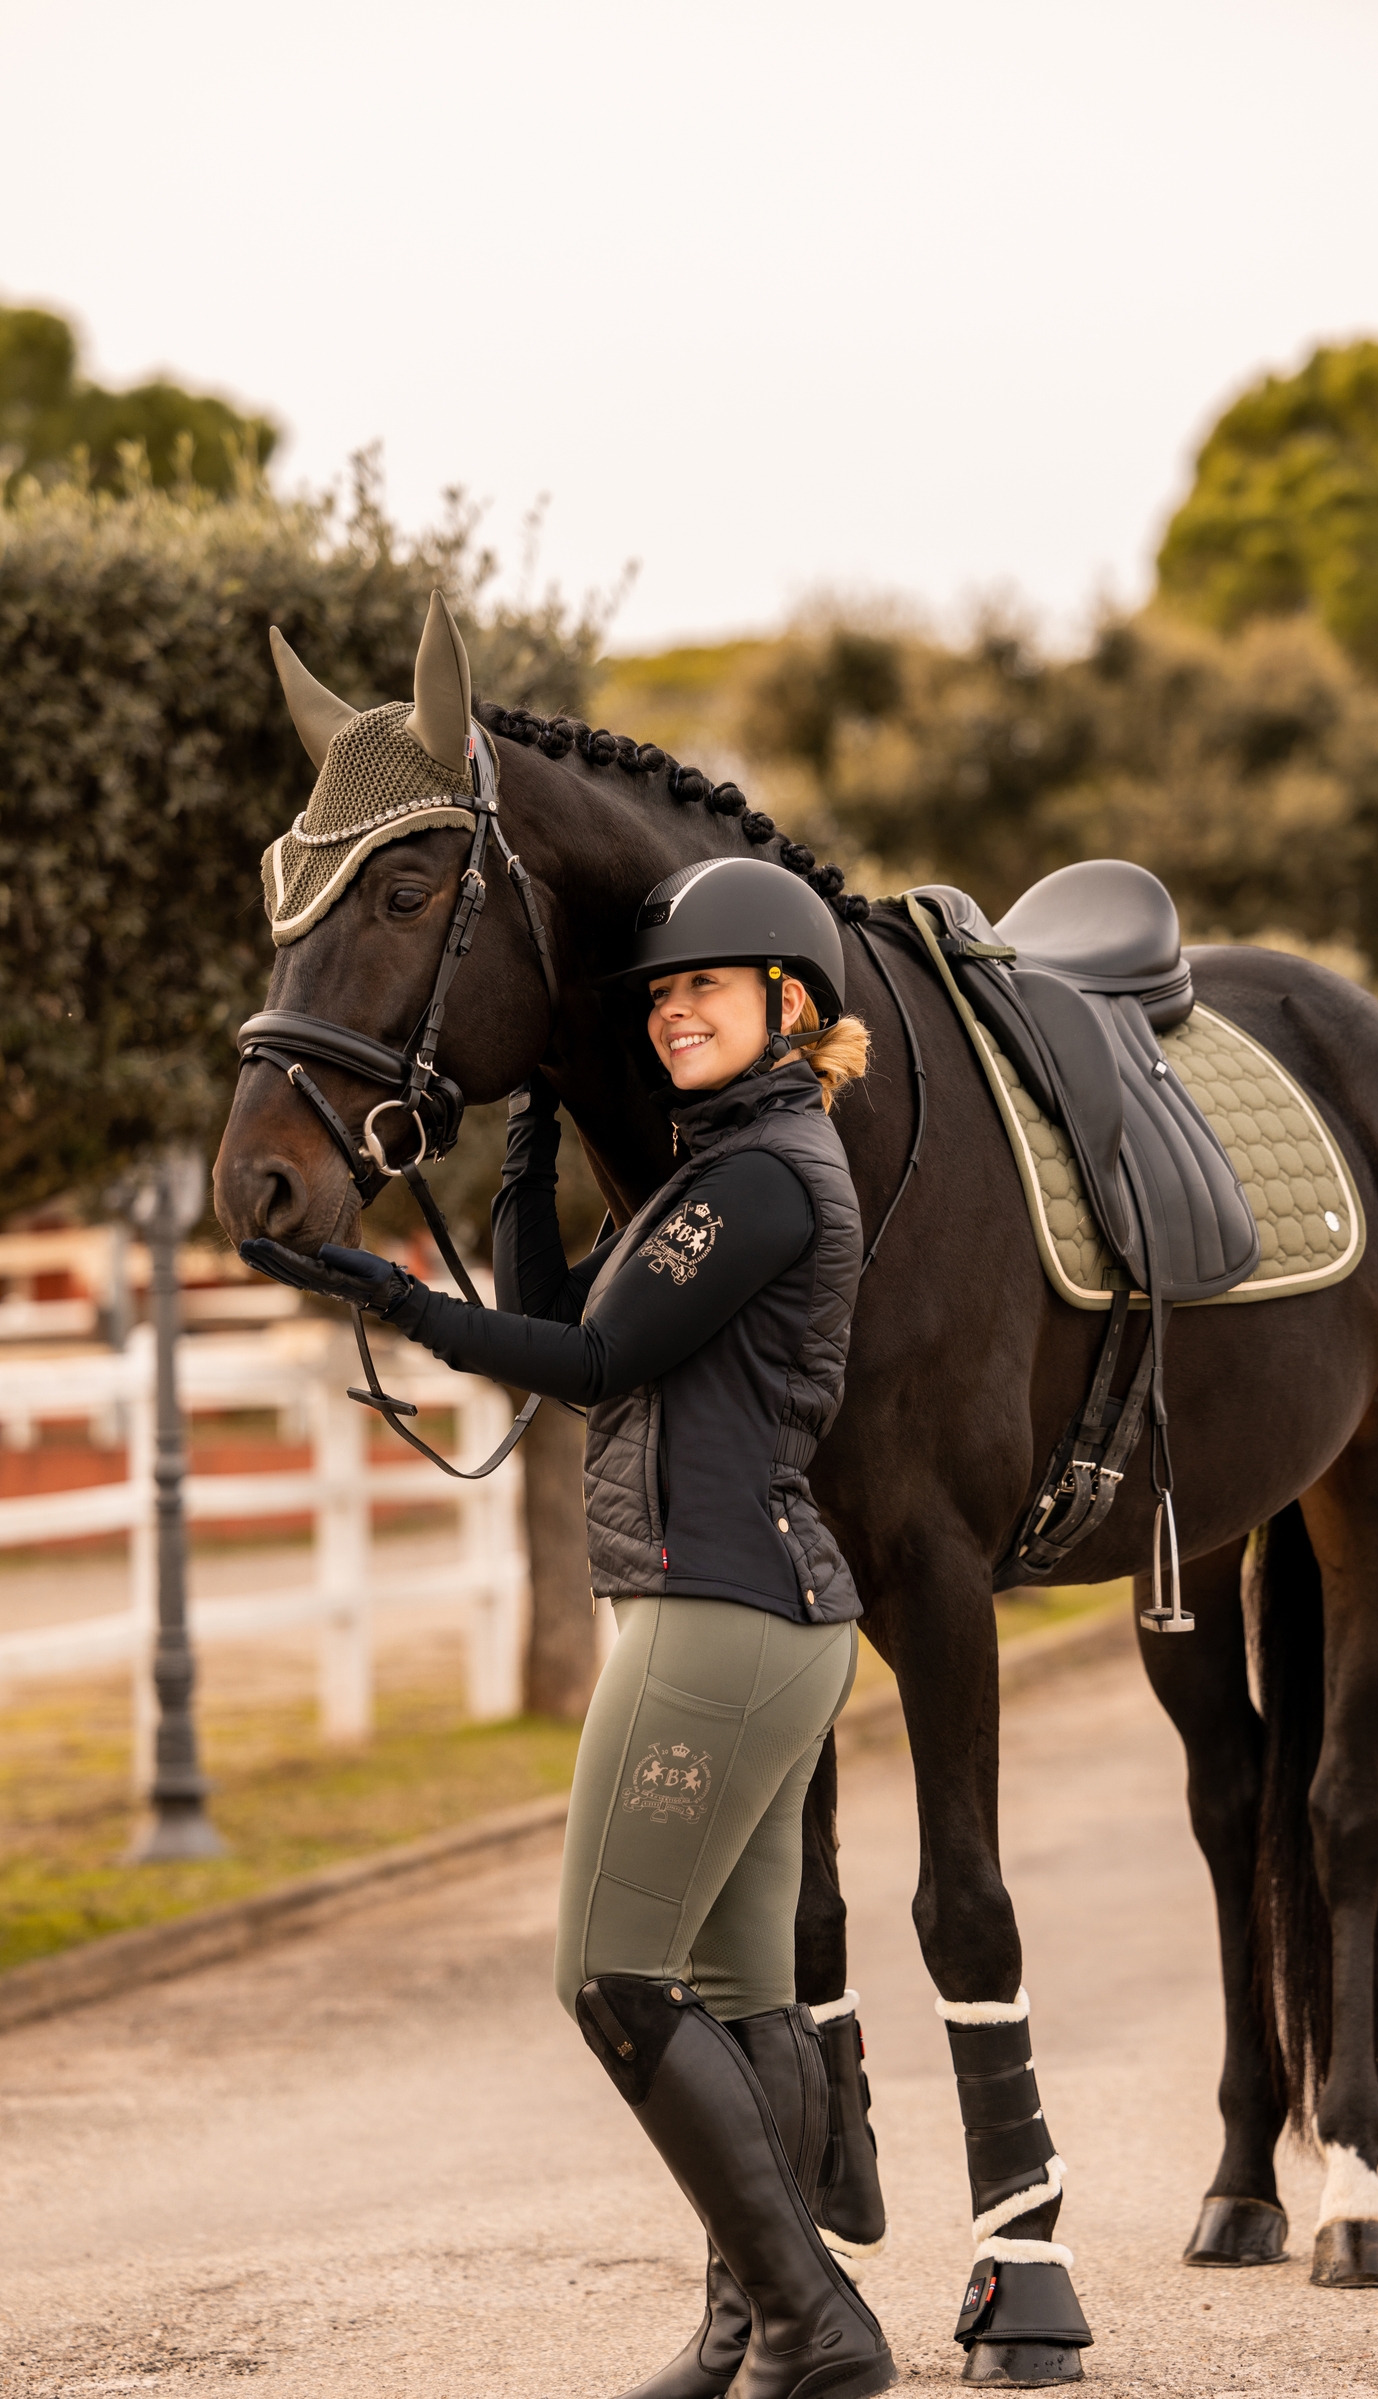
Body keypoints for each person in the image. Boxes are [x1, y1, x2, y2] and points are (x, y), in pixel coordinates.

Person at [243, 856, 897, 2399]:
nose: (673, 1013)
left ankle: (816, 2321)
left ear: (789, 1008)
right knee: (739, 1997)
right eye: (662, 993)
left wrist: (388, 1293)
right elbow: (559, 1319)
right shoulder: (719, 1169)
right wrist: (530, 1151)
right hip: (752, 1614)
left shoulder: (761, 1177)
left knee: (609, 1975)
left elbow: (594, 1360)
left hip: (719, 1609)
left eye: (707, 989)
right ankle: (754, 2330)